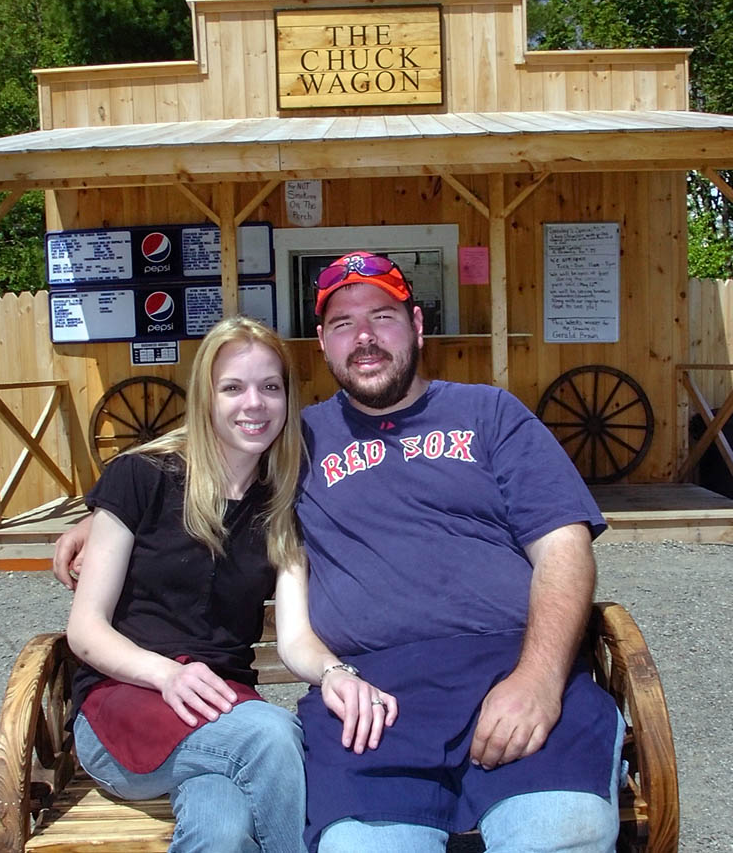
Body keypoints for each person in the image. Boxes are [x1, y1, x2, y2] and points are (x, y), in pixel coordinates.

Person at [56, 254, 623, 853]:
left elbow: (566, 548)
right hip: (374, 704)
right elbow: (199, 461)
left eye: (383, 316)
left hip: (506, 670)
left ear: (418, 326)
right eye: (345, 323)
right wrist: (98, 518)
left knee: (562, 836)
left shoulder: (491, 414)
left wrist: (537, 679)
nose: (366, 337)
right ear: (324, 343)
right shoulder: (297, 442)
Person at [63, 314, 396, 853]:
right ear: (206, 398)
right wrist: (165, 675)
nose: (254, 404)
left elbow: (292, 639)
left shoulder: (282, 503)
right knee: (273, 737)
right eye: (233, 388)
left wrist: (335, 673)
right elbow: (85, 630)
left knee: (220, 829)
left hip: (222, 711)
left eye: (270, 387)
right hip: (122, 707)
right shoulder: (141, 477)